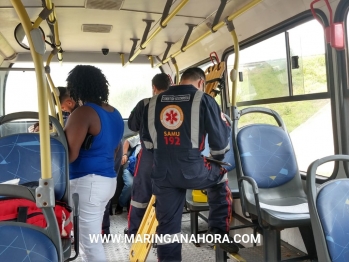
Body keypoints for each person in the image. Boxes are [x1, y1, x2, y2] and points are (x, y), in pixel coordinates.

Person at [142, 67, 239, 261]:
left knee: (168, 229)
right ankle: (217, 231)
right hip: (193, 170)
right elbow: (220, 145)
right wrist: (215, 159)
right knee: (220, 175)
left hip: (162, 173)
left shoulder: (152, 103)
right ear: (201, 83)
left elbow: (148, 143)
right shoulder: (204, 100)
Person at [64, 65, 124, 262]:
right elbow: (115, 149)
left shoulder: (83, 113)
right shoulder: (114, 113)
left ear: (76, 88)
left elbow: (69, 156)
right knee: (86, 240)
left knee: (89, 244)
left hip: (87, 184)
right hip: (106, 181)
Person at [126, 73, 170, 236]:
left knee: (140, 194)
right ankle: (164, 232)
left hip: (149, 157)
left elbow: (133, 125)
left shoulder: (144, 104)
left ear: (154, 87)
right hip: (173, 157)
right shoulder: (179, 105)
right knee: (168, 194)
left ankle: (135, 232)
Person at [117, 134, 141, 210]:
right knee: (130, 184)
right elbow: (127, 141)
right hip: (131, 168)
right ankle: (120, 204)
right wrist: (124, 155)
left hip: (144, 172)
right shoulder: (141, 136)